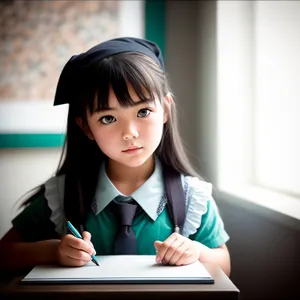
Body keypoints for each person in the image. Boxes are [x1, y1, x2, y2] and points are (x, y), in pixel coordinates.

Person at [0, 37, 230, 275]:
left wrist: (195, 251)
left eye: (143, 111)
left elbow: (225, 263)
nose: (129, 133)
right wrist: (54, 251)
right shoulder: (62, 195)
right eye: (108, 118)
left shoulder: (192, 197)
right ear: (86, 126)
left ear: (165, 109)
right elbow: (5, 254)